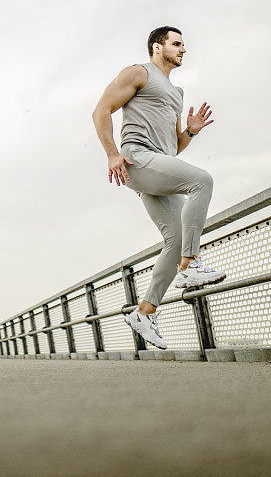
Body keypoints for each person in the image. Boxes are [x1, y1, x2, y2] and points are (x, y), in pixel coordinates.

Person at [91, 26, 226, 350]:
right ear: (157, 47)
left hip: (155, 164)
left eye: (184, 45)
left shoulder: (177, 94)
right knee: (202, 180)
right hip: (135, 158)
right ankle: (191, 264)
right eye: (177, 43)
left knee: (177, 238)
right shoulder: (140, 73)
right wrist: (112, 153)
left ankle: (145, 312)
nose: (183, 49)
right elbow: (100, 111)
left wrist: (190, 133)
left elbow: (171, 152)